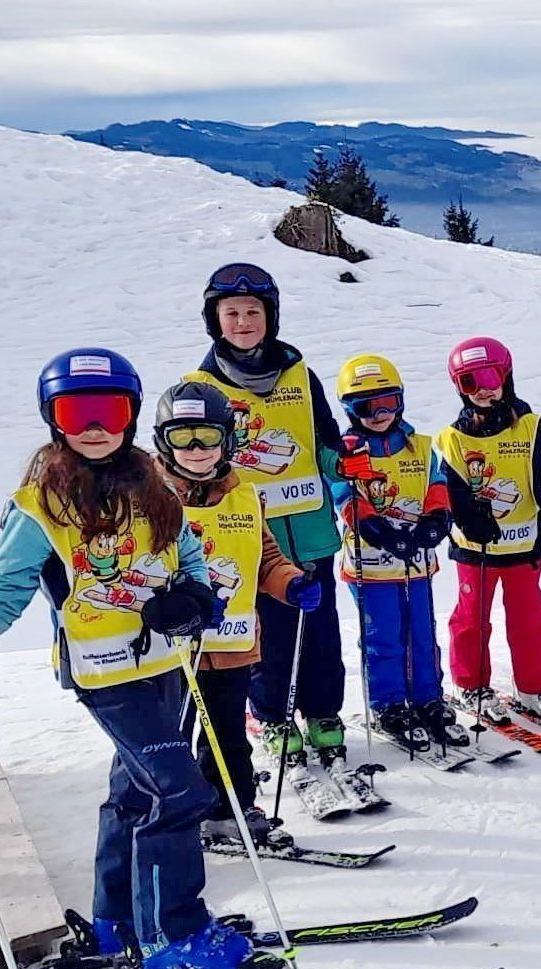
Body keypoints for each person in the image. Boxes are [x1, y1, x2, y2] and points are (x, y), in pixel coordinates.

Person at [0, 349, 276, 969]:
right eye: (79, 411)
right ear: (54, 418)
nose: (95, 426)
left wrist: (192, 599)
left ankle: (118, 920)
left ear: (130, 415)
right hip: (104, 672)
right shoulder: (40, 506)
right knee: (179, 790)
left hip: (162, 664)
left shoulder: (156, 488)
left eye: (111, 410)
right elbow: (6, 589)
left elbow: (194, 563)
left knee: (132, 794)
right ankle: (171, 935)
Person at [180, 263, 352, 774]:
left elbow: (323, 442)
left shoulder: (301, 373)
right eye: (230, 312)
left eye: (252, 311)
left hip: (311, 530)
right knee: (269, 636)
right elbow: (187, 458)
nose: (242, 321)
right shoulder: (200, 386)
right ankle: (273, 716)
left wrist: (344, 464)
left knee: (321, 633)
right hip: (246, 537)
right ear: (215, 320)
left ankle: (323, 712)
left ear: (270, 316)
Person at [150, 382, 315, 848]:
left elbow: (264, 557)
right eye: (184, 437)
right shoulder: (148, 499)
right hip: (170, 651)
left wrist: (291, 582)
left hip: (232, 642)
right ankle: (172, 818)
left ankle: (232, 811)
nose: (198, 449)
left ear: (228, 438)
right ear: (164, 441)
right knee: (172, 738)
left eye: (208, 435)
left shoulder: (246, 495)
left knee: (228, 737)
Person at [330, 354, 467, 751]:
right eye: (366, 407)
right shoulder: (348, 451)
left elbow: (436, 483)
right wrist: (374, 527)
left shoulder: (420, 447)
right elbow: (345, 495)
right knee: (384, 636)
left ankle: (427, 697)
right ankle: (389, 702)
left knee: (423, 633)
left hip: (417, 560)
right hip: (371, 565)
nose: (379, 414)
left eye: (388, 402)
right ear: (349, 410)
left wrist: (437, 519)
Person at [434, 336, 541, 725]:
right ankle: (471, 682)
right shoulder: (453, 438)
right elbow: (451, 488)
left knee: (529, 617)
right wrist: (465, 516)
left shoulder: (529, 427)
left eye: (491, 377)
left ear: (506, 376)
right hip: (475, 549)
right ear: (458, 387)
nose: (483, 389)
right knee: (471, 618)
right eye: (469, 382)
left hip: (524, 545)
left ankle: (534, 685)